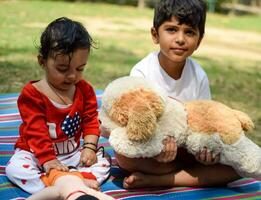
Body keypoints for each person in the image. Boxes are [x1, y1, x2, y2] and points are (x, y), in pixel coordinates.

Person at [119, 0, 240, 189]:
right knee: (124, 157)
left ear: (199, 41)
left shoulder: (199, 75)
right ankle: (188, 174)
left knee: (237, 165)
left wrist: (205, 152)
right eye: (172, 30)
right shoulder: (142, 72)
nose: (180, 39)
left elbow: (205, 121)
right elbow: (137, 123)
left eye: (189, 32)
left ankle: (160, 180)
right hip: (155, 151)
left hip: (188, 150)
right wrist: (159, 146)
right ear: (155, 34)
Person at [5, 17, 112, 200]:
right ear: (42, 61)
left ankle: (63, 183)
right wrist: (47, 160)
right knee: (14, 169)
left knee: (105, 161)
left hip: (72, 155)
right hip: (36, 154)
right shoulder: (32, 94)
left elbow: (91, 121)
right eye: (62, 68)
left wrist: (89, 148)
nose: (72, 76)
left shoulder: (84, 90)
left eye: (80, 69)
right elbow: (35, 131)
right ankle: (71, 183)